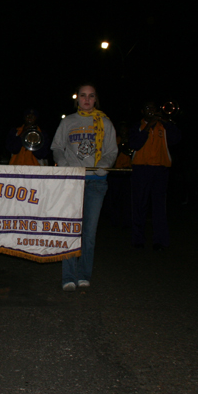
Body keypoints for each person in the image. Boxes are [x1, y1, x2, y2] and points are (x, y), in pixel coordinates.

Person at [51, 83, 117, 291]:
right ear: (77, 99)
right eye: (83, 95)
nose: (87, 99)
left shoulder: (105, 122)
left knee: (88, 233)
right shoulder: (68, 122)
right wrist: (63, 164)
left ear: (95, 99)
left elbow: (111, 151)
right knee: (71, 230)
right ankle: (68, 276)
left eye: (91, 96)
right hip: (72, 183)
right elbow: (57, 147)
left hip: (96, 184)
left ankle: (83, 274)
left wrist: (104, 166)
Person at [129, 101, 182, 250]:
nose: (151, 110)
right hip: (141, 169)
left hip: (160, 170)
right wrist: (148, 126)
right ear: (142, 111)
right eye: (147, 108)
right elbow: (135, 143)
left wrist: (165, 121)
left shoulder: (163, 126)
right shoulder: (137, 126)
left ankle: (160, 241)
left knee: (159, 207)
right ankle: (138, 240)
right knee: (139, 205)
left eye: (153, 108)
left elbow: (176, 139)